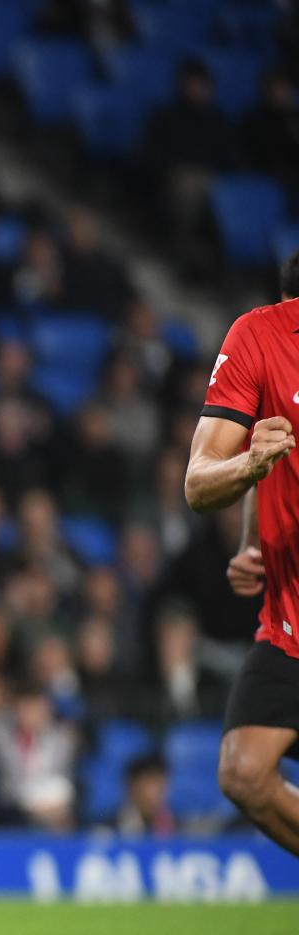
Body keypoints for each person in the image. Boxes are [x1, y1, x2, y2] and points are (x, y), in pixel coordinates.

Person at [183, 250, 299, 857]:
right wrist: (252, 531)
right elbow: (199, 483)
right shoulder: (261, 337)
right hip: (289, 625)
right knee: (243, 771)